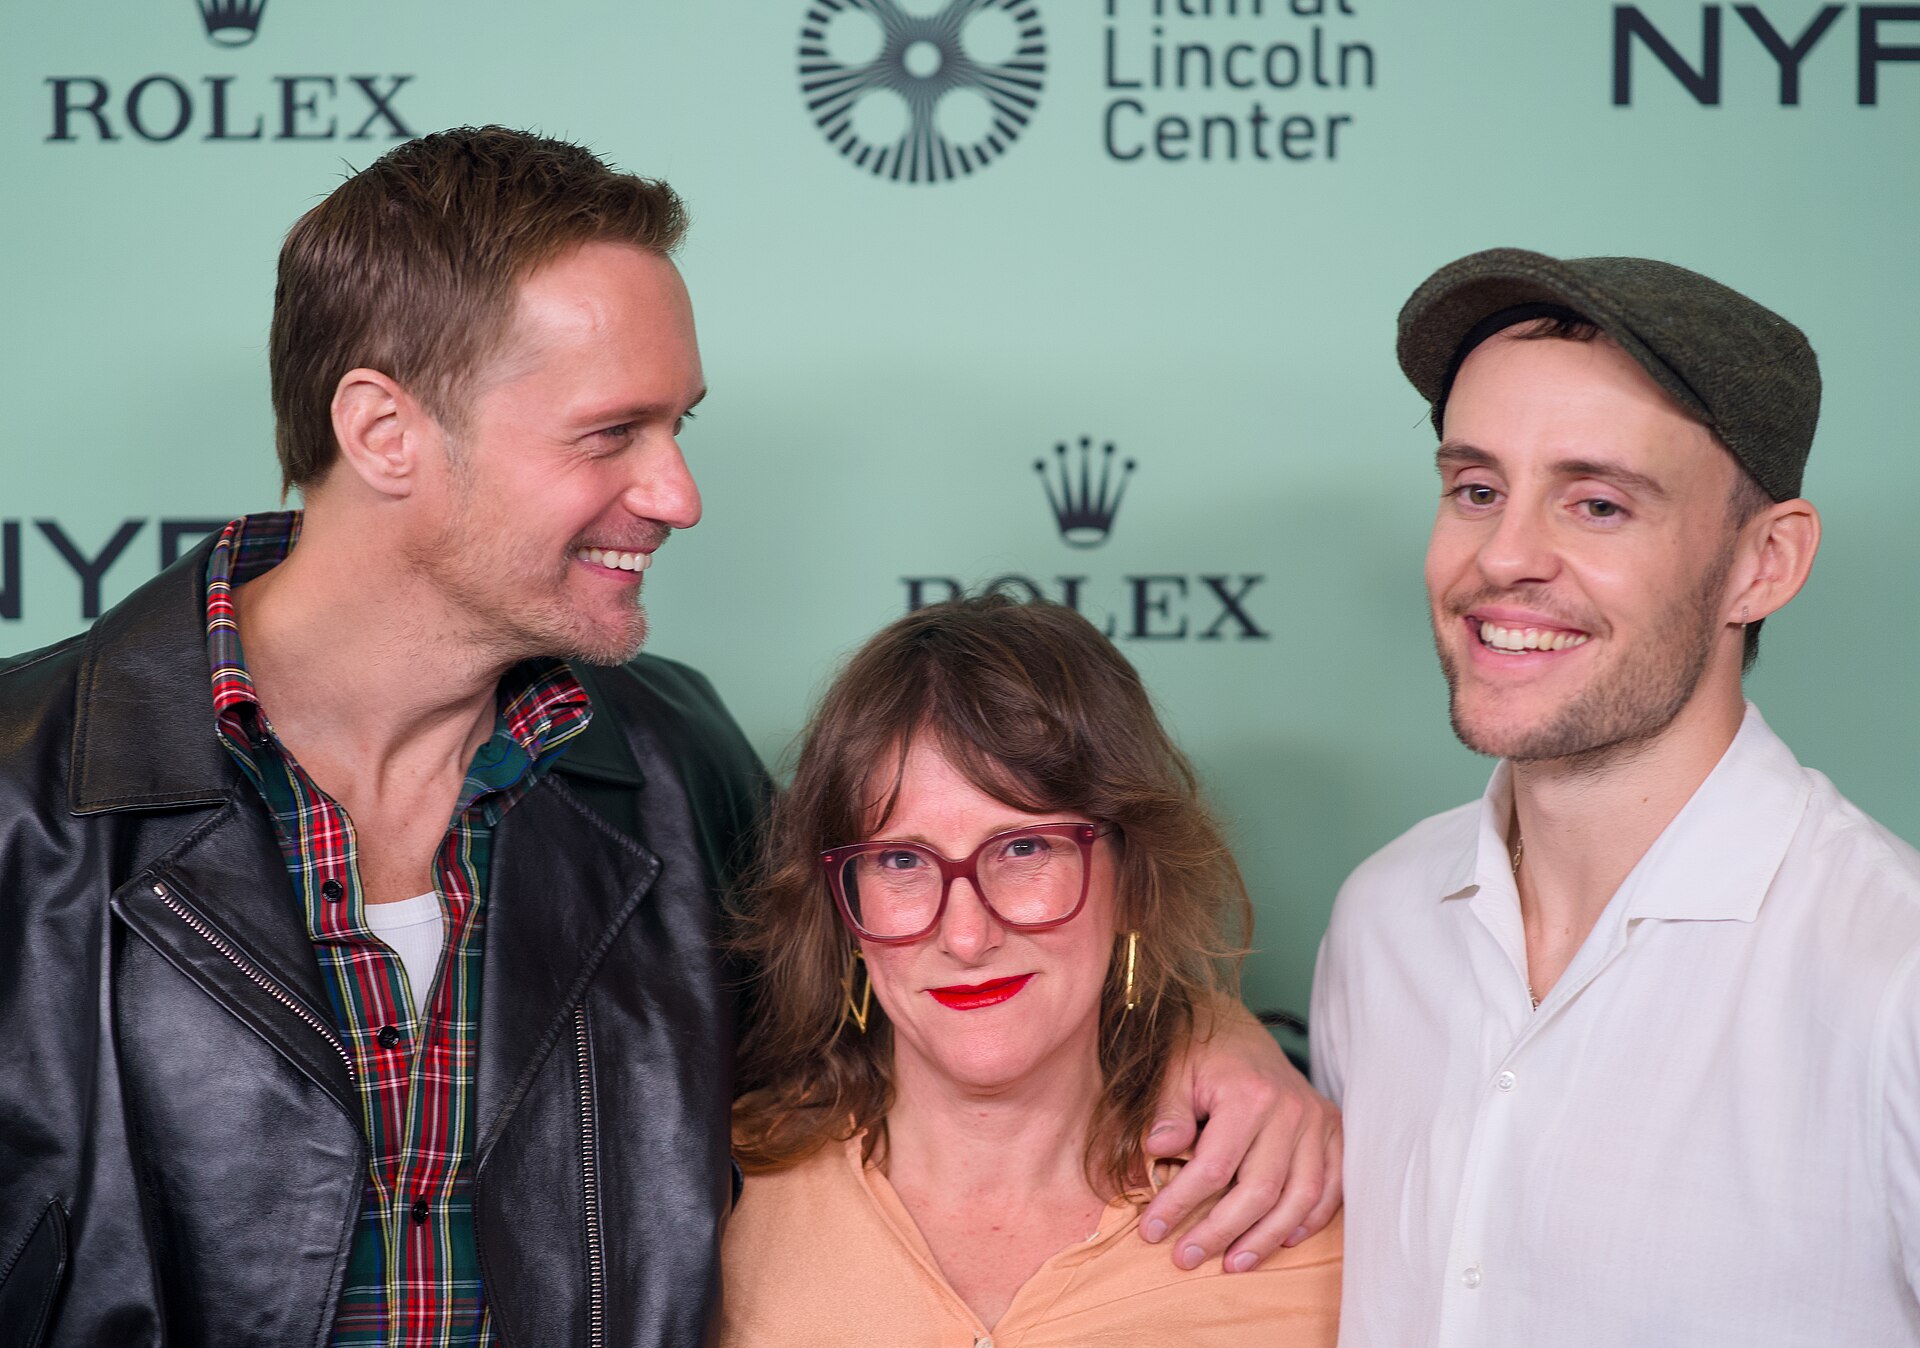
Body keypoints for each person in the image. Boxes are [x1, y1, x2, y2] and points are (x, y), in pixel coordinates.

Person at [0, 127, 1336, 1347]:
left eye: (677, 426)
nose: (679, 493)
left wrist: (1200, 1031)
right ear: (385, 431)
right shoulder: (24, 798)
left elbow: (934, 957)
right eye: (611, 434)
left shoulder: (670, 766)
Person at [1311, 247, 1920, 1346]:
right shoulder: (1381, 918)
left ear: (1765, 564)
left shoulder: (1893, 975)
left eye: (1597, 504)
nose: (1505, 557)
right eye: (1477, 490)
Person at [723, 594, 1342, 1346]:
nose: (966, 935)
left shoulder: (1311, 1222)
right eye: (901, 860)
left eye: (1024, 848)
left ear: (1134, 878)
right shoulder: (707, 1196)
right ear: (843, 905)